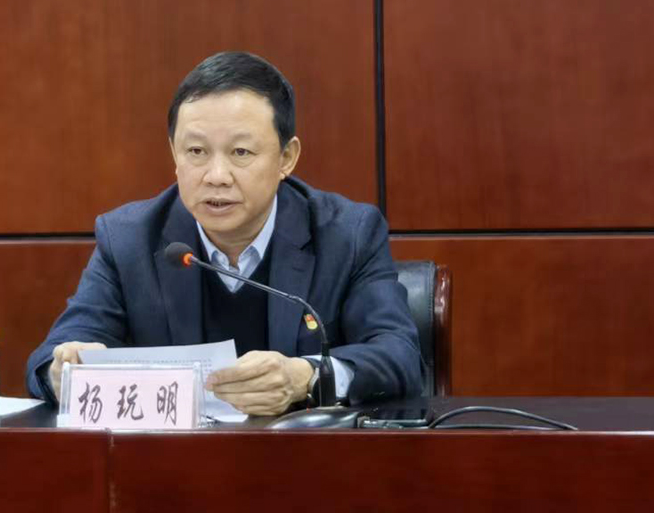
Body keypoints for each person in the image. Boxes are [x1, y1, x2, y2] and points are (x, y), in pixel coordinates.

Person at [26, 51, 423, 415]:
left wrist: (307, 376)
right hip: (172, 463)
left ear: (287, 158)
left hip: (305, 460)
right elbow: (48, 360)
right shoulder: (129, 239)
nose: (216, 176)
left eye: (241, 153)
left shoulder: (347, 234)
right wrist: (63, 371)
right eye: (196, 152)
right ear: (174, 154)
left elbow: (400, 356)